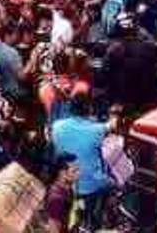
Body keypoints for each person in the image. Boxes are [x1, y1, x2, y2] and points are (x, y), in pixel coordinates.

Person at [50, 93, 116, 231]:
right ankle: (99, 222)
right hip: (91, 186)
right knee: (114, 182)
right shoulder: (97, 129)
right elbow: (112, 125)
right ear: (89, 109)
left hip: (67, 183)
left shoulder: (56, 126)